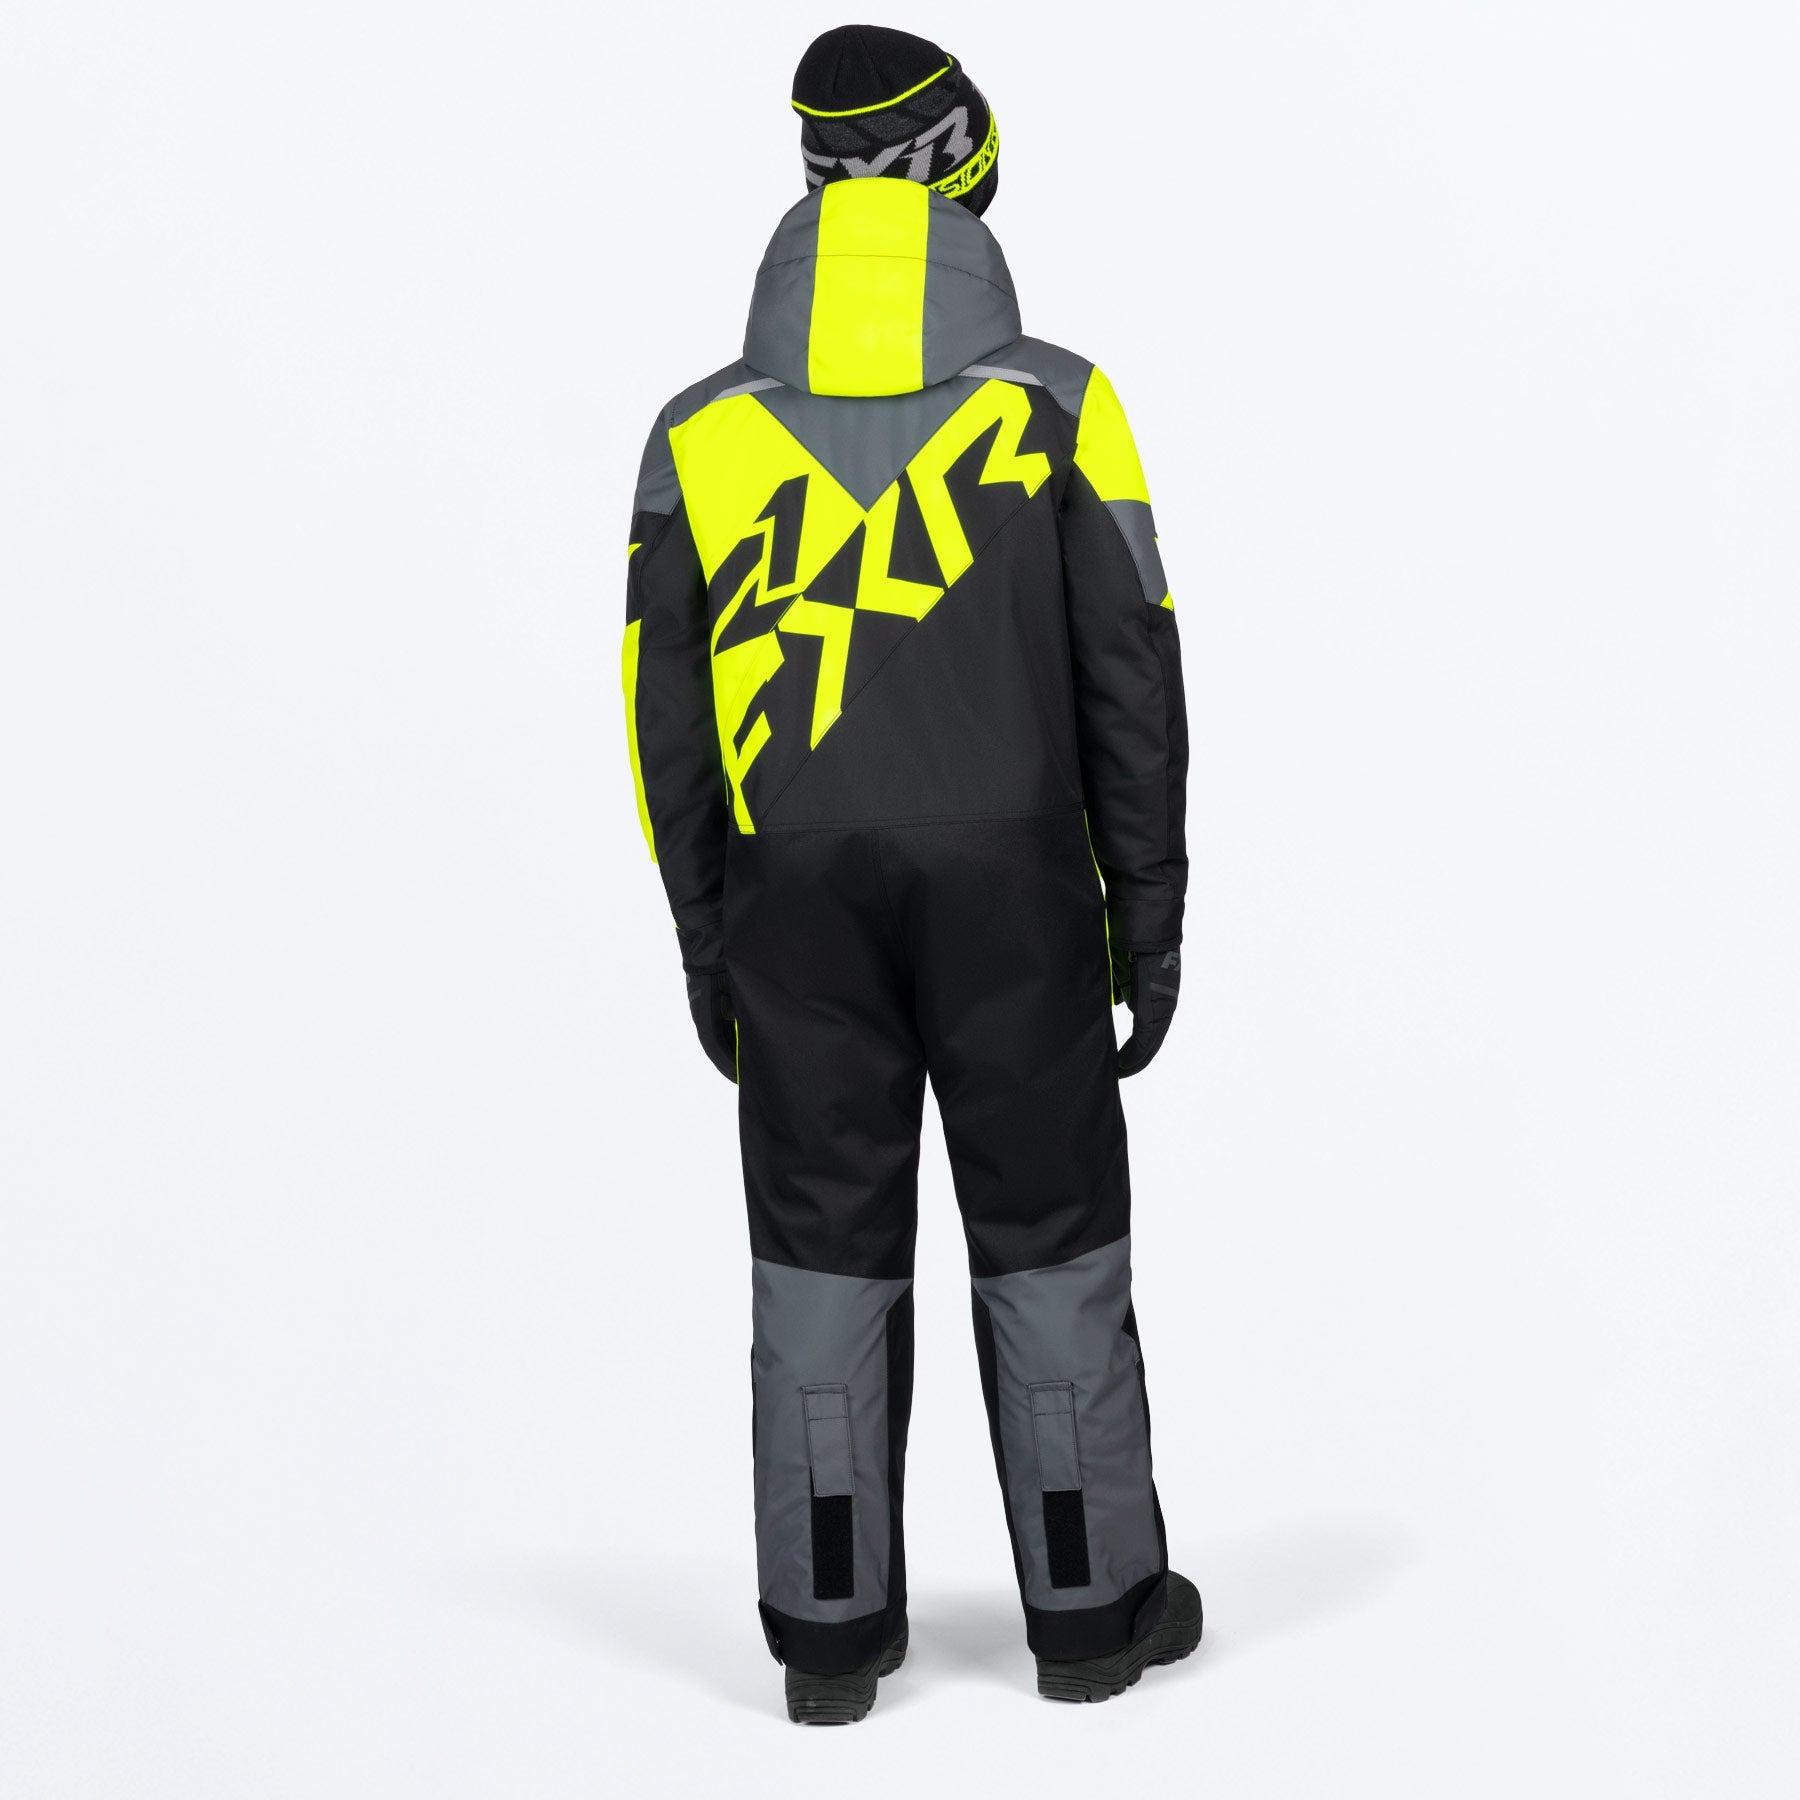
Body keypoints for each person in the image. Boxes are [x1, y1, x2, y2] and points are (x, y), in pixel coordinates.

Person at [622, 23, 1201, 1723]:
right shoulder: (1059, 408)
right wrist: (1149, 920)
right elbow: (1133, 678)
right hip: (1020, 885)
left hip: (793, 898)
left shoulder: (695, 435)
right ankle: (1091, 1615)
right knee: (1050, 1233)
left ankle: (827, 1643)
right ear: (962, 167)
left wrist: (708, 940)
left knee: (819, 1252)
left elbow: (664, 724)